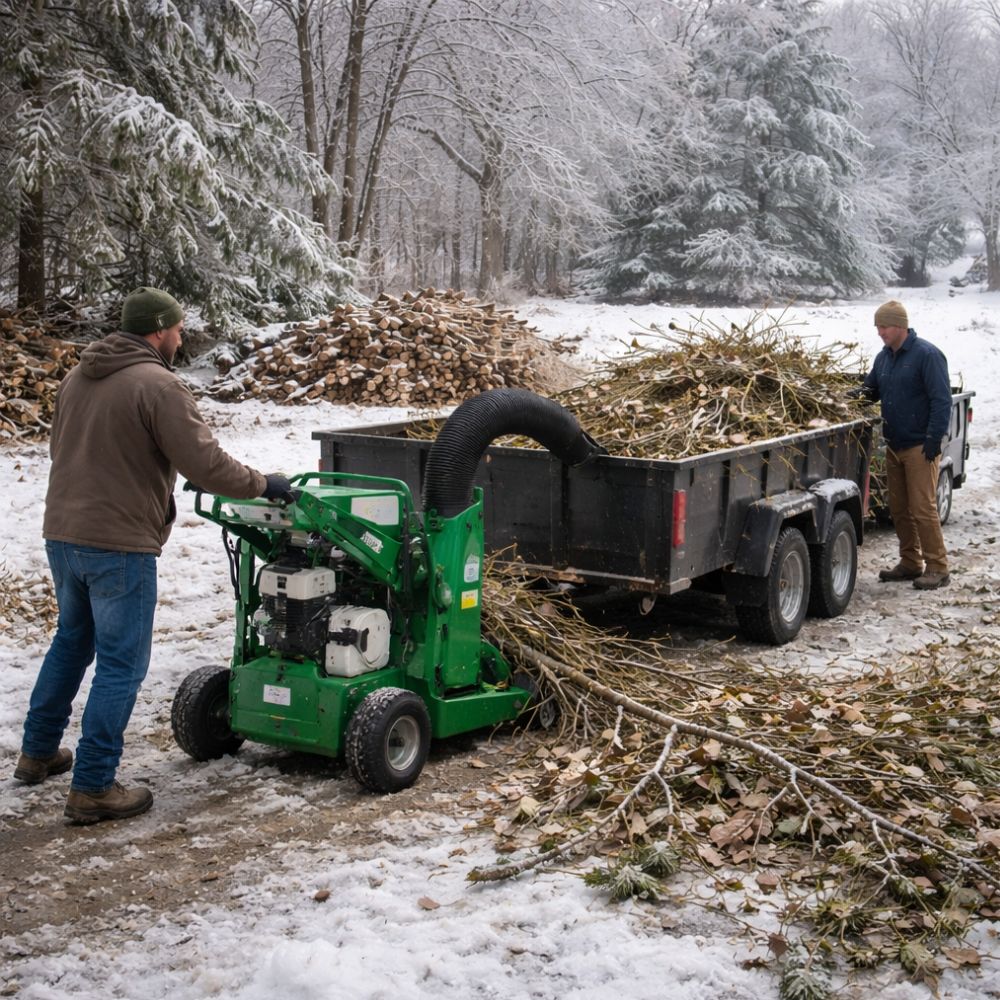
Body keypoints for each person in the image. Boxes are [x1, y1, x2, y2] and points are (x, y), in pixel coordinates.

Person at [14, 287, 293, 824]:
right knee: (122, 663)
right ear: (159, 329)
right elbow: (205, 464)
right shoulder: (158, 385)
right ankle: (93, 785)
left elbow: (64, 449)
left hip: (63, 534)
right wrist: (264, 484)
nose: (182, 337)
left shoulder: (77, 377)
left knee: (72, 642)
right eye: (179, 328)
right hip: (118, 544)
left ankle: (38, 752)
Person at [856, 299, 951, 590]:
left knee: (923, 507)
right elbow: (872, 390)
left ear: (900, 325)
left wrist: (934, 439)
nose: (879, 332)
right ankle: (911, 562)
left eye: (883, 326)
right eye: (877, 326)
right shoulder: (884, 358)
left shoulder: (927, 355)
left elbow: (941, 399)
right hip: (894, 443)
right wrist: (848, 397)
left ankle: (938, 567)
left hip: (920, 445)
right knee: (899, 508)